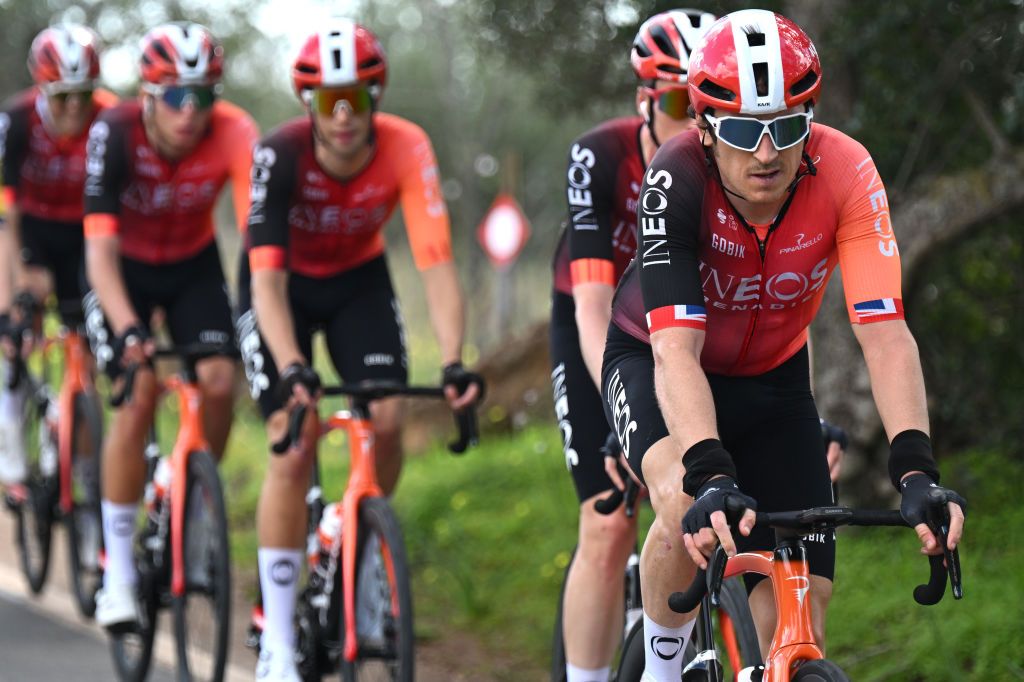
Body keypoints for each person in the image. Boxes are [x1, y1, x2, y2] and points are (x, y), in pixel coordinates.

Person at [601, 10, 967, 680]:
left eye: (786, 129)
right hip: (656, 363)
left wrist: (916, 470)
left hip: (774, 381)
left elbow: (884, 334)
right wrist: (710, 473)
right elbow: (675, 353)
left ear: (810, 121)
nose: (766, 153)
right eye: (743, 131)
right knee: (685, 508)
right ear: (704, 128)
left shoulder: (848, 171)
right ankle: (658, 663)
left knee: (803, 616)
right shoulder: (675, 174)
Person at [236, 19, 480, 680]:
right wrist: (291, 368)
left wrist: (454, 359)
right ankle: (280, 633)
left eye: (357, 99)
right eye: (326, 102)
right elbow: (263, 280)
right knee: (295, 434)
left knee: (390, 417)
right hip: (280, 284)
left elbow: (435, 263)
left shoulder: (407, 146)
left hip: (356, 282)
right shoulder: (279, 154)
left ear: (377, 96)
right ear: (306, 105)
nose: (343, 117)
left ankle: (363, 547)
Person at [548, 9, 715, 682]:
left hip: (685, 331)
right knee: (610, 520)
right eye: (680, 102)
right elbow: (592, 306)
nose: (696, 120)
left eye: (709, 100)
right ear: (643, 101)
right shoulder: (601, 155)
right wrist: (620, 423)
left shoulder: (734, 165)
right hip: (597, 330)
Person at [82, 21, 258, 630]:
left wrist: (258, 325)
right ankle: (119, 578)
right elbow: (99, 253)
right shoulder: (114, 131)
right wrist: (130, 331)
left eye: (203, 96)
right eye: (176, 98)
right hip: (120, 267)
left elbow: (257, 246)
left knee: (217, 379)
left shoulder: (235, 132)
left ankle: (192, 501)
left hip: (191, 264)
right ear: (148, 98)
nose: (191, 113)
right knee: (138, 392)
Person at [0, 25, 116, 495]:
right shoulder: (17, 121)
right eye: (62, 96)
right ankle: (10, 446)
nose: (74, 107)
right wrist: (12, 292)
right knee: (19, 330)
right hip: (28, 230)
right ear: (42, 88)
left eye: (82, 94)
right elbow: (5, 215)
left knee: (85, 352)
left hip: (87, 235)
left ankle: (75, 454)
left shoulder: (110, 119)